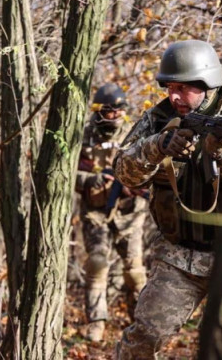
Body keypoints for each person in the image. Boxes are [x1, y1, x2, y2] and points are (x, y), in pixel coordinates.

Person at [113, 40, 222, 359]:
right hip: (178, 257)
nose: (174, 97)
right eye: (170, 87)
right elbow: (124, 173)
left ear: (207, 83)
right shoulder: (160, 119)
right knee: (144, 339)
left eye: (183, 89)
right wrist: (157, 146)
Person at [75, 83, 148, 342]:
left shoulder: (134, 133)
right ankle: (97, 322)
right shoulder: (84, 135)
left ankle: (140, 323)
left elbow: (149, 167)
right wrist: (92, 182)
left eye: (118, 112)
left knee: (134, 270)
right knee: (97, 263)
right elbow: (68, 172)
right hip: (95, 212)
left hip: (130, 213)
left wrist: (133, 184)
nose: (114, 117)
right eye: (109, 112)